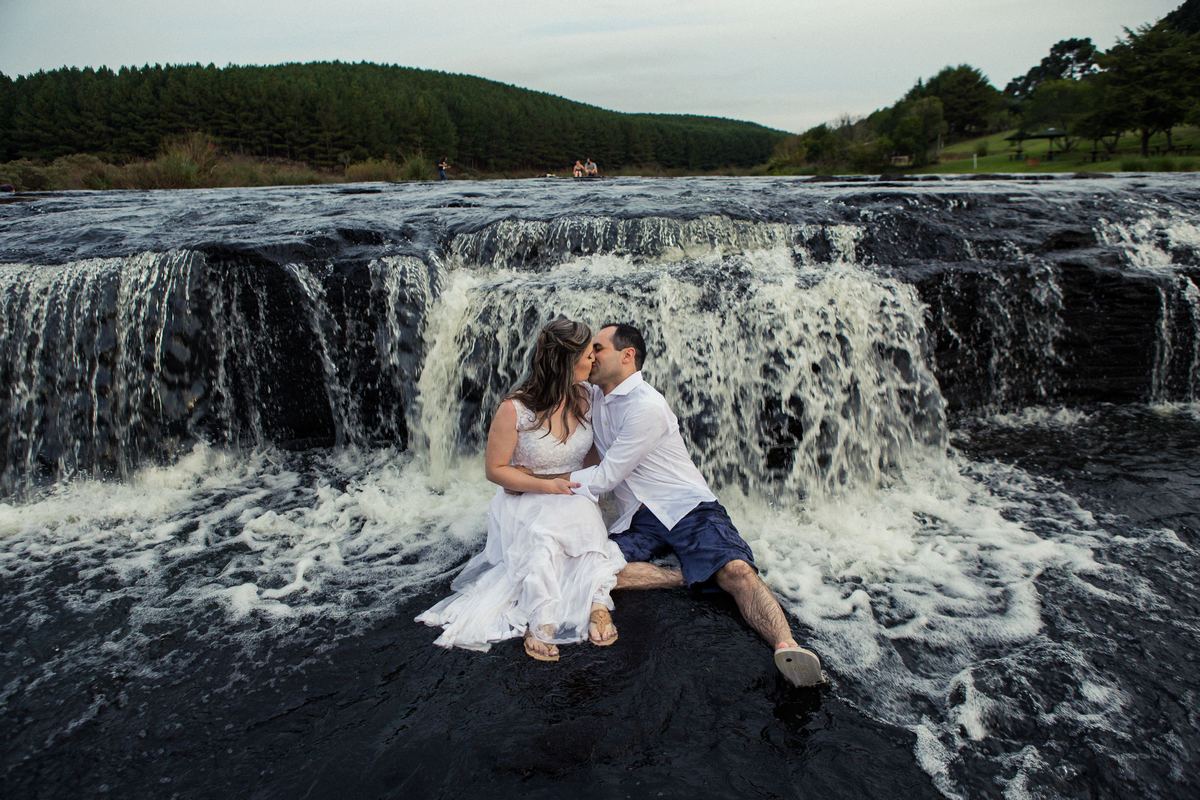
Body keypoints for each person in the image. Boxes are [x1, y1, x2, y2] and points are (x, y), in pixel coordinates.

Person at [570, 324, 824, 687]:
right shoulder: (594, 395)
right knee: (593, 568)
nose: (591, 356)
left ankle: (788, 646)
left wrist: (545, 485)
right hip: (638, 518)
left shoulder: (647, 406)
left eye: (599, 348)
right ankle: (691, 577)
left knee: (736, 570)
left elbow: (606, 477)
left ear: (627, 357)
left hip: (687, 507)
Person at [416, 318, 625, 661]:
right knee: (544, 537)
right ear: (566, 363)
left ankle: (598, 602)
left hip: (572, 492)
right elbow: (494, 470)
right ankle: (541, 619)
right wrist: (542, 484)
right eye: (588, 355)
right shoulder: (515, 408)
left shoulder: (588, 396)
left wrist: (587, 487)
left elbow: (593, 458)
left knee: (583, 527)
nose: (595, 361)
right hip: (527, 496)